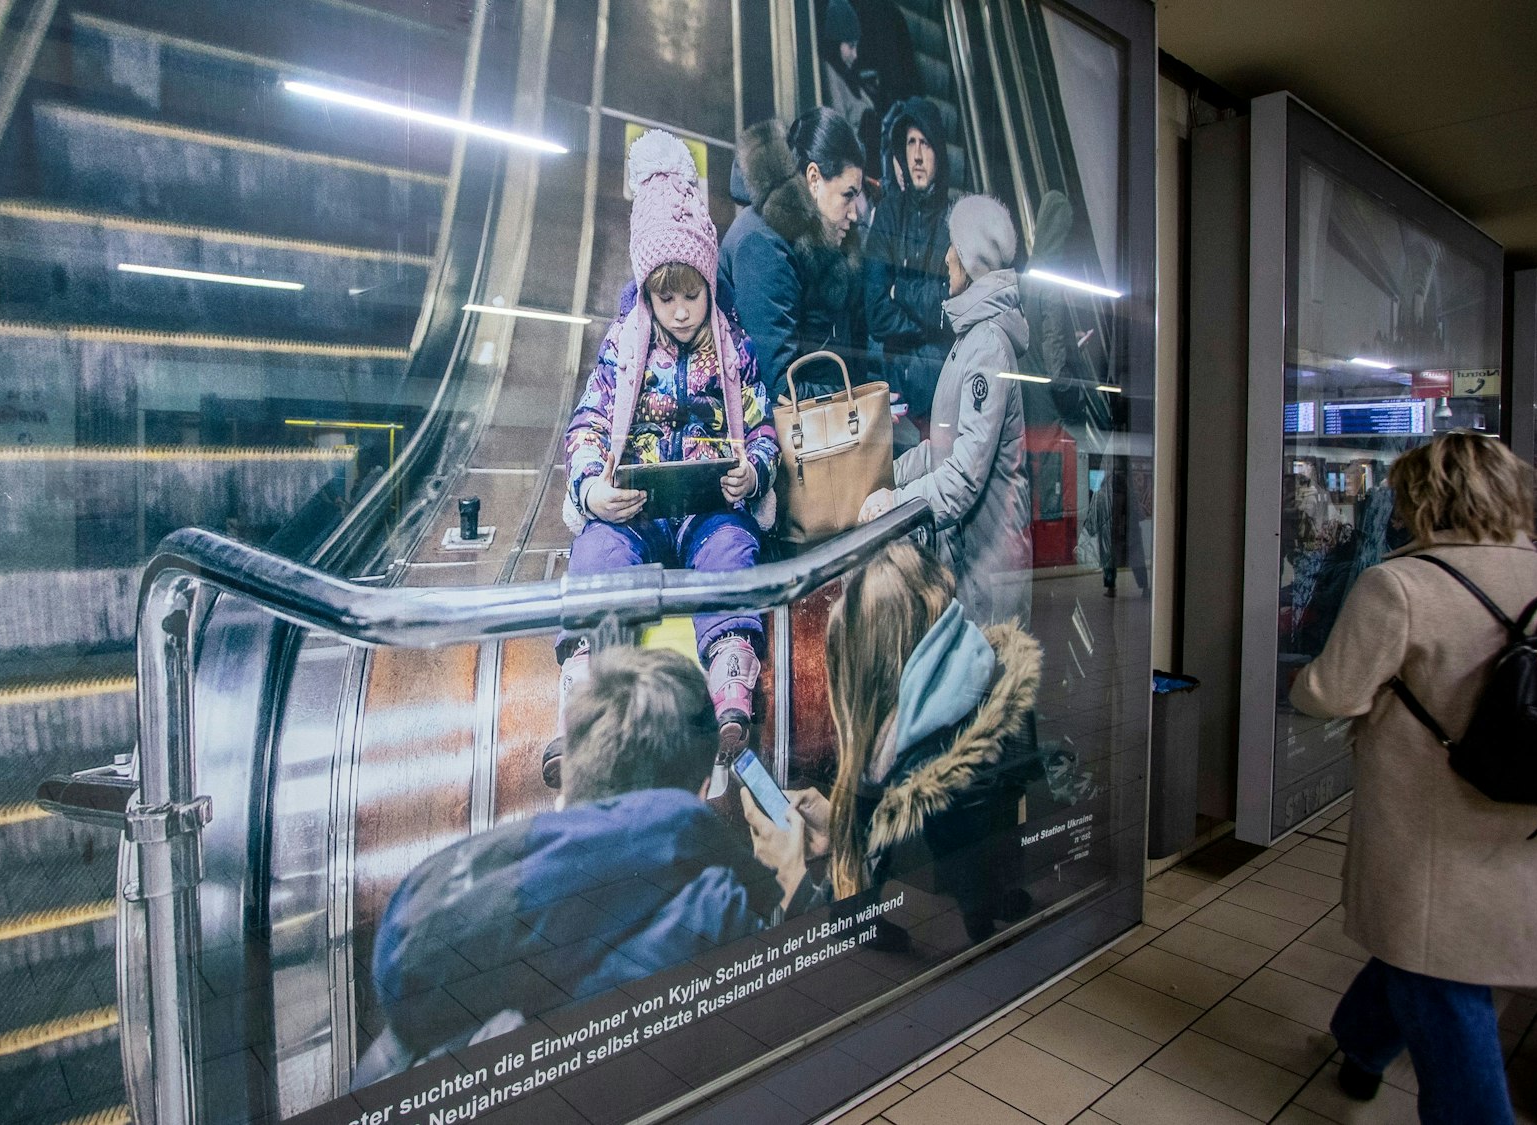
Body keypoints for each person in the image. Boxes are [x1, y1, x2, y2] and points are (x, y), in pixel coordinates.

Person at [358, 648, 808, 1084]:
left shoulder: (450, 917)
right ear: (702, 791)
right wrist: (795, 887)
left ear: (569, 785)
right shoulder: (713, 924)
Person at [1288, 431, 1537, 1125]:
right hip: (1533, 813)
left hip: (1431, 824)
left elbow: (1332, 691)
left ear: (1422, 499)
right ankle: (1360, 1042)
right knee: (1438, 952)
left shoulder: (1402, 585)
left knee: (1440, 979)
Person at [556, 129, 780, 764]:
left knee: (734, 547)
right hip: (638, 515)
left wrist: (752, 473)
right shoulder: (624, 349)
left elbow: (761, 427)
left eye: (692, 294)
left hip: (706, 512)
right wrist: (594, 488)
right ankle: (583, 700)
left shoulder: (732, 350)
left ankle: (731, 688)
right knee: (597, 553)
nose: (681, 312)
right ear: (646, 294)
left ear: (711, 284)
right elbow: (589, 423)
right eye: (665, 297)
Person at [748, 540, 1042, 940]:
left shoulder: (927, 773)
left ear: (875, 663)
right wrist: (837, 822)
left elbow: (935, 853)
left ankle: (980, 917)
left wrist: (795, 877)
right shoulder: (966, 678)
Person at [860, 195, 1032, 625]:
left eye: (953, 246)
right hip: (969, 559)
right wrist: (883, 477)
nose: (946, 256)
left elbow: (964, 477)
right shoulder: (971, 338)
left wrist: (896, 501)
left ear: (972, 261)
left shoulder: (988, 346)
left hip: (987, 571)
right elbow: (942, 447)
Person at [719, 107, 866, 401]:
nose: (854, 214)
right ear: (814, 178)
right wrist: (855, 400)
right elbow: (779, 388)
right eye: (847, 195)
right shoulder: (762, 245)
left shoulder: (805, 239)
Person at [863, 97, 960, 424]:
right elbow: (875, 312)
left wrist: (900, 293)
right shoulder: (888, 214)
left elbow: (952, 309)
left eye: (926, 144)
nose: (917, 156)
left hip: (944, 393)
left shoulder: (955, 219)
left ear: (940, 152)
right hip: (896, 395)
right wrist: (930, 321)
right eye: (910, 144)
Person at [820, 0, 875, 142]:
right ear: (836, 43)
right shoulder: (830, 74)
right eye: (851, 46)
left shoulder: (847, 76)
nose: (855, 55)